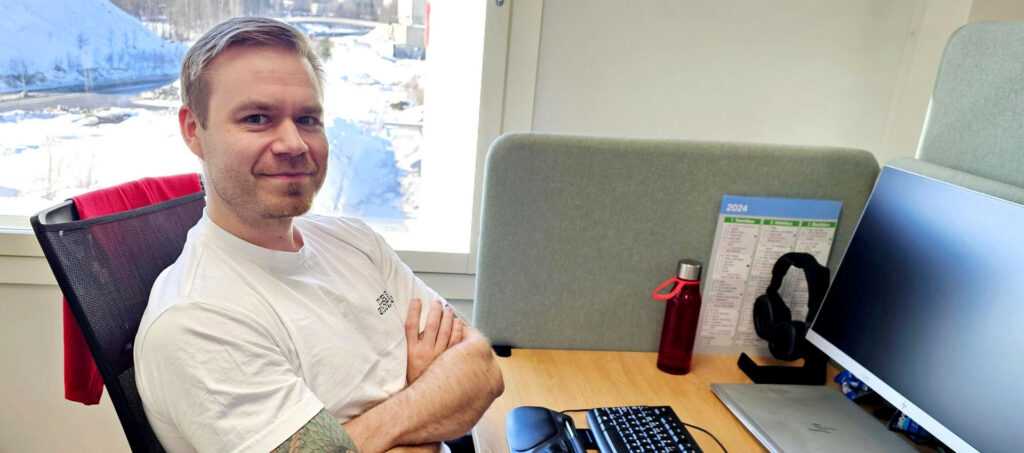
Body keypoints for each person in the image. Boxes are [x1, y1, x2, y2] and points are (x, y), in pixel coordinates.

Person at [133, 17, 504, 453]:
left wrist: (360, 432)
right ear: (194, 130)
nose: (293, 143)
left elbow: (482, 366)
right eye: (257, 118)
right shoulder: (197, 319)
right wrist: (422, 393)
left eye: (308, 118)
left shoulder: (353, 242)